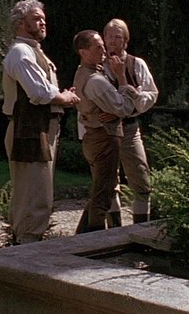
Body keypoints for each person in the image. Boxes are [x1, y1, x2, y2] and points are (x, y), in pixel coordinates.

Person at [2, 0, 80, 244]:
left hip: (40, 128)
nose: (43, 22)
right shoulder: (21, 52)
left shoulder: (33, 51)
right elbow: (38, 92)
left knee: (37, 193)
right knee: (33, 196)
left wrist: (61, 96)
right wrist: (64, 97)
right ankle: (25, 251)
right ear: (20, 23)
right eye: (36, 19)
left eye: (43, 18)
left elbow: (43, 90)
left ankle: (24, 247)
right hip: (28, 130)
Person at [72, 30, 138, 232]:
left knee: (101, 190)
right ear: (83, 52)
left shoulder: (83, 73)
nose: (104, 50)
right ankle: (93, 238)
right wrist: (122, 78)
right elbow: (124, 108)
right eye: (98, 47)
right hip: (104, 138)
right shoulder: (95, 81)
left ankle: (81, 236)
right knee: (104, 194)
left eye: (103, 45)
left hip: (95, 136)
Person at [102, 18, 159, 225]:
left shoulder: (136, 64)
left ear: (125, 41)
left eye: (118, 37)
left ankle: (140, 227)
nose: (112, 41)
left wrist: (135, 97)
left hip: (129, 128)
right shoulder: (97, 65)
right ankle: (114, 229)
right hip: (104, 130)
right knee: (108, 182)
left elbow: (151, 94)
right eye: (109, 36)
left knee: (141, 180)